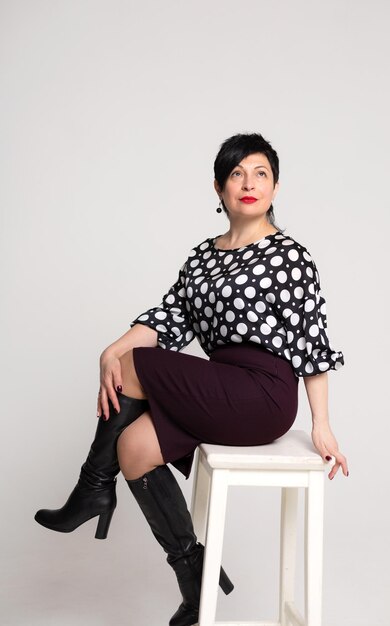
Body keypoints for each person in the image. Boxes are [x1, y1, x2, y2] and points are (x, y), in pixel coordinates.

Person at [35, 132, 348, 626]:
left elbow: (312, 339)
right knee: (134, 449)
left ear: (276, 186)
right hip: (218, 387)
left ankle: (92, 488)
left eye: (260, 173)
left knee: (137, 366)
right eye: (236, 173)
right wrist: (112, 349)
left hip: (262, 393)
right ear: (219, 188)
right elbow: (168, 318)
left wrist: (323, 422)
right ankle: (195, 581)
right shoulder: (203, 256)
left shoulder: (291, 256)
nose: (249, 183)